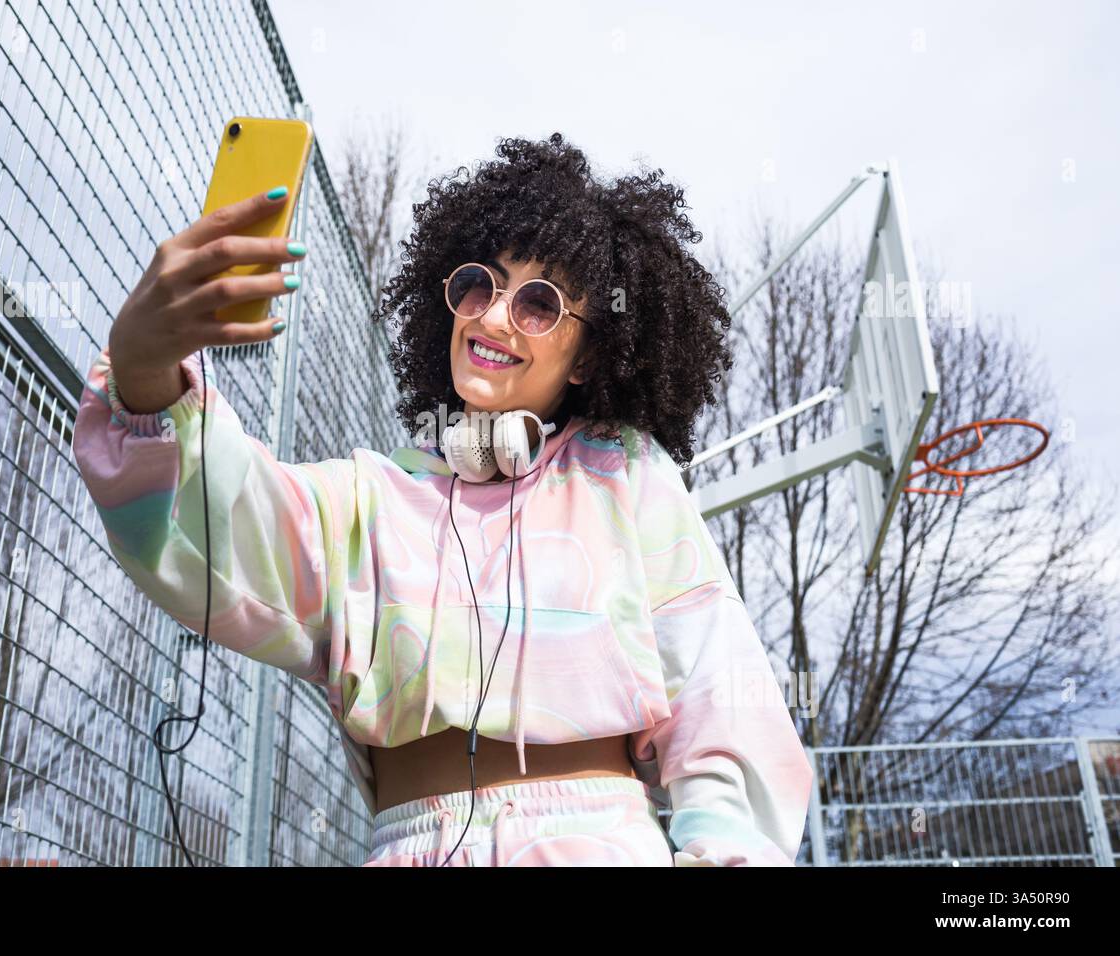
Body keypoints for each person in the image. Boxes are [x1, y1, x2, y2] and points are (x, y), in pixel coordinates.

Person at [72, 132, 813, 867]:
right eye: (479, 284)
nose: (493, 317)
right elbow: (222, 526)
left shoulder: (626, 477)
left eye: (538, 303)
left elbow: (720, 696)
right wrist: (146, 371)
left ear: (590, 354)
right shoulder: (366, 503)